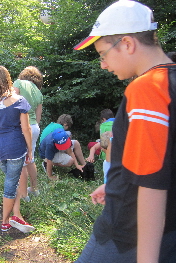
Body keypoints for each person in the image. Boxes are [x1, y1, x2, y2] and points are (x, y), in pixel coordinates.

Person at [73, 1, 176, 262]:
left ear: (128, 44)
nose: (103, 65)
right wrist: (118, 181)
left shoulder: (148, 88)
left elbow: (153, 184)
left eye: (103, 54)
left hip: (127, 233)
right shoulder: (170, 80)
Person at [0, 65, 35, 233]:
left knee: (13, 180)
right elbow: (26, 129)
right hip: (15, 149)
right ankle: (5, 222)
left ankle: (17, 213)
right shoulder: (19, 101)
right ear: (8, 79)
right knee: (10, 184)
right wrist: (30, 149)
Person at [13, 66, 43, 200]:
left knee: (21, 161)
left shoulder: (18, 83)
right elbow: (38, 117)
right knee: (30, 159)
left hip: (22, 126)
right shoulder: (39, 92)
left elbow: (13, 103)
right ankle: (34, 188)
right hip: (34, 127)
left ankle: (24, 194)